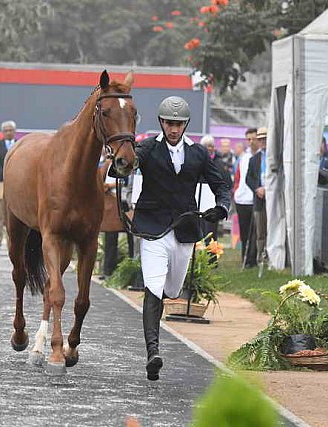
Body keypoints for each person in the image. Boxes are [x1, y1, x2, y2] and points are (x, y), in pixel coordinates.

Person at [133, 96, 231, 381]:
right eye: (169, 123)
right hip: (153, 228)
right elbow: (126, 165)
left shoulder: (199, 153)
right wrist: (121, 163)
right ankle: (153, 352)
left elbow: (220, 183)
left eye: (178, 124)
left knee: (172, 290)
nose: (173, 129)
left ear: (185, 124)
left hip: (185, 230)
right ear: (161, 123)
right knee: (153, 286)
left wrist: (222, 206)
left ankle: (162, 306)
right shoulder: (148, 148)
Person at [0, 120, 16, 250]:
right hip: (1, 182)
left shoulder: (19, 145)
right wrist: (7, 175)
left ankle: (12, 242)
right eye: (5, 130)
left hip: (17, 184)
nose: (8, 132)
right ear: (2, 132)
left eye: (10, 130)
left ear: (14, 131)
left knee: (13, 214)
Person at [245, 127, 269, 267]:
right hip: (259, 199)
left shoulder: (276, 157)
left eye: (265, 139)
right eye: (260, 140)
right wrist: (257, 189)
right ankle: (261, 258)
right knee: (260, 231)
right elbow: (249, 178)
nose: (263, 142)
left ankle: (273, 258)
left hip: (273, 198)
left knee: (273, 230)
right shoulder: (254, 159)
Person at [233, 135, 257, 269]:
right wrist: (236, 191)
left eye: (254, 139)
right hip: (242, 199)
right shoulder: (243, 157)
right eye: (249, 139)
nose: (251, 142)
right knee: (244, 231)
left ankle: (253, 258)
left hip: (254, 198)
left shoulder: (259, 157)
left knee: (255, 232)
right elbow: (237, 176)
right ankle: (245, 258)